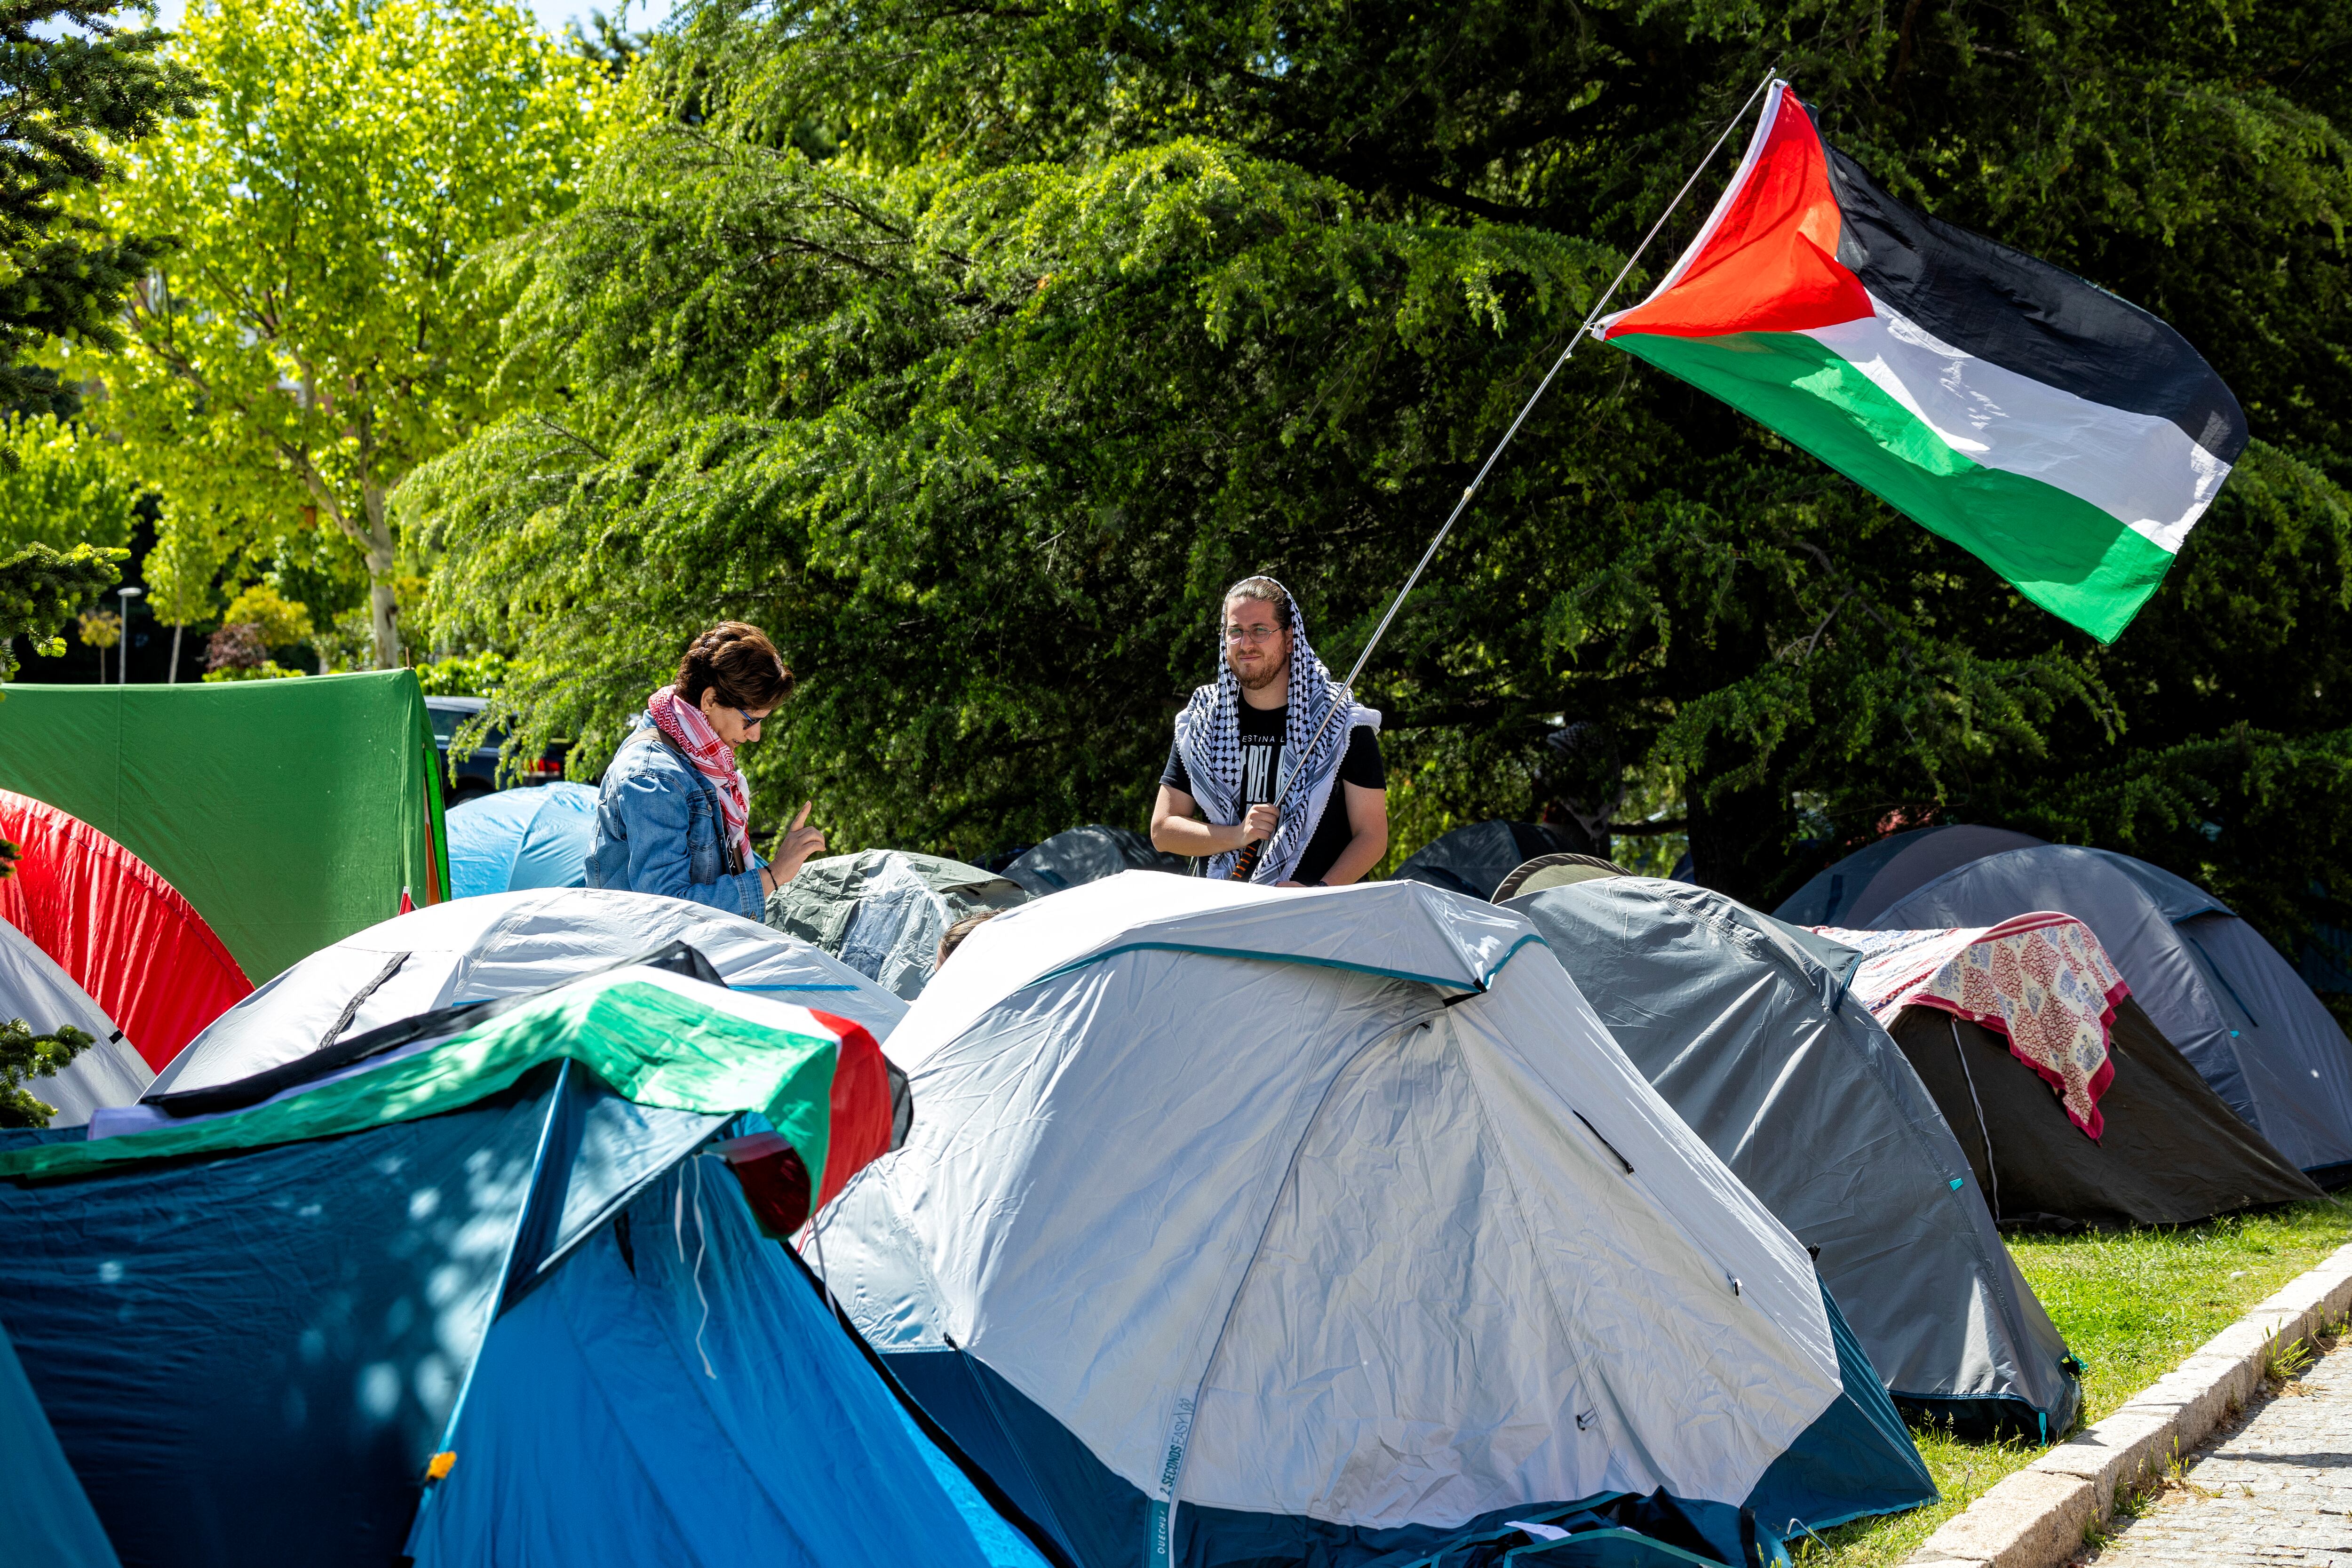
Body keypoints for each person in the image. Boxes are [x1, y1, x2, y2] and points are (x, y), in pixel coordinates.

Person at [1151, 576, 1387, 886]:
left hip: (1319, 921)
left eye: (1260, 630)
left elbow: (1372, 836)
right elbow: (1163, 830)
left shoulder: (1340, 721)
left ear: (1289, 638)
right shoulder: (1205, 719)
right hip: (1226, 920)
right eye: (1236, 632)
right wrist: (1237, 835)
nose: (1246, 643)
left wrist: (1320, 891)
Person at [586, 622, 828, 917]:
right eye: (750, 721)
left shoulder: (701, 759)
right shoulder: (653, 779)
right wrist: (775, 874)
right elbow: (669, 909)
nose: (756, 735)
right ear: (710, 700)